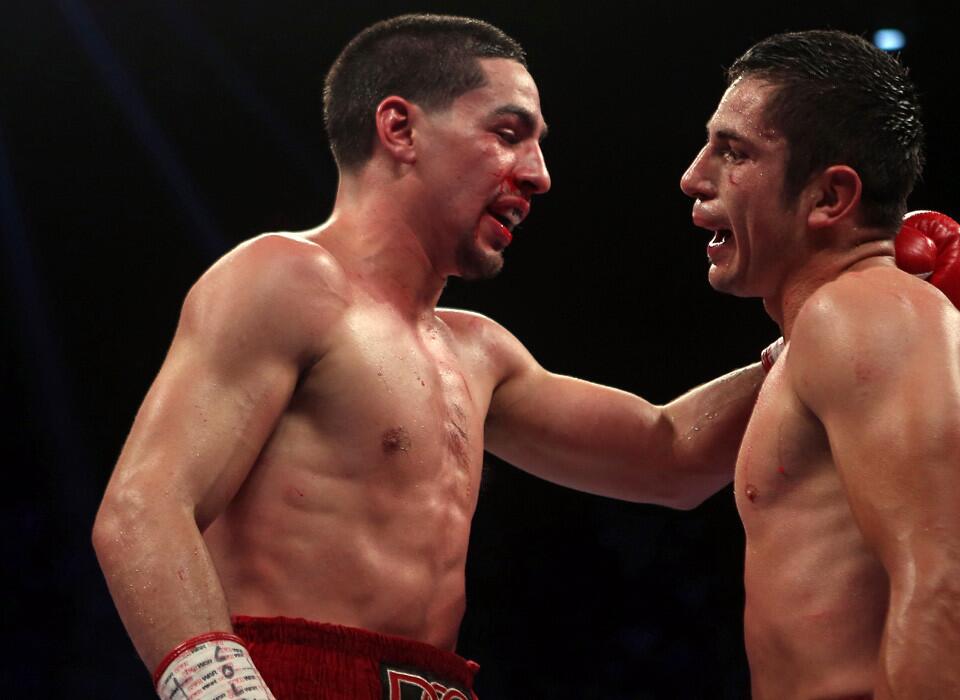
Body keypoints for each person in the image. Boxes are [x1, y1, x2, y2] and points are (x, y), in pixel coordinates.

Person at [91, 15, 766, 700]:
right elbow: (143, 508)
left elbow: (670, 455)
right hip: (286, 678)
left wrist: (817, 320)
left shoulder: (480, 353)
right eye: (508, 134)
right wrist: (219, 690)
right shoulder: (285, 278)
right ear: (399, 129)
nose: (538, 174)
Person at [679, 30, 960, 699]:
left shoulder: (865, 316)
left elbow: (954, 605)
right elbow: (660, 449)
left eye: (733, 152)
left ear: (831, 198)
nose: (693, 176)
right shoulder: (827, 342)